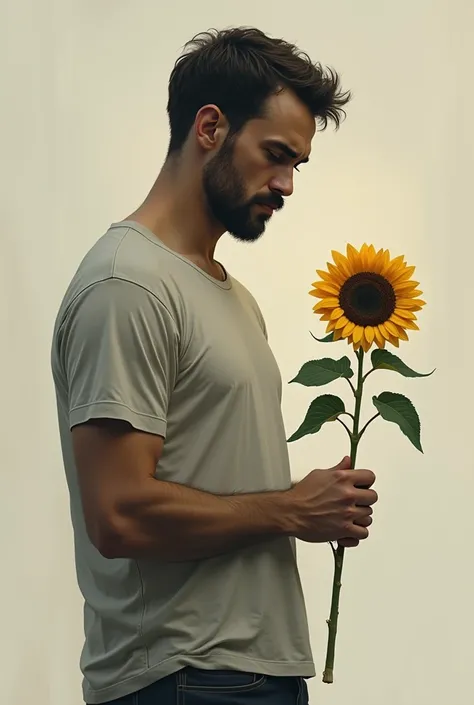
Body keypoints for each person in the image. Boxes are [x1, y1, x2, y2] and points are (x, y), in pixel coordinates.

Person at [51, 26, 378, 705]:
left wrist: (315, 505)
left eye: (297, 165)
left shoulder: (231, 295)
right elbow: (118, 515)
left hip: (246, 672)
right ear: (209, 127)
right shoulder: (129, 283)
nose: (287, 184)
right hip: (186, 677)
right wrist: (291, 507)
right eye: (276, 155)